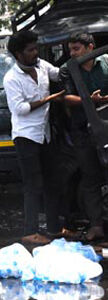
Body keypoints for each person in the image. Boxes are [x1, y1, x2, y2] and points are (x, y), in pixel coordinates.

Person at [3, 30, 65, 244]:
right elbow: (19, 109)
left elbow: (59, 73)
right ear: (18, 54)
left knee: (52, 181)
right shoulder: (11, 78)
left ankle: (55, 228)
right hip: (26, 135)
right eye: (30, 50)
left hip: (44, 133)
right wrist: (48, 99)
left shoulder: (42, 65)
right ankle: (30, 232)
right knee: (33, 185)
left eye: (35, 48)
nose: (35, 52)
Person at [59, 32, 108, 241]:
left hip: (106, 124)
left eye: (76, 49)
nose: (72, 53)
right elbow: (66, 98)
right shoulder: (67, 69)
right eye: (70, 49)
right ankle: (96, 225)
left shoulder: (106, 62)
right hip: (82, 130)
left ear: (90, 47)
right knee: (90, 178)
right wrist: (90, 99)